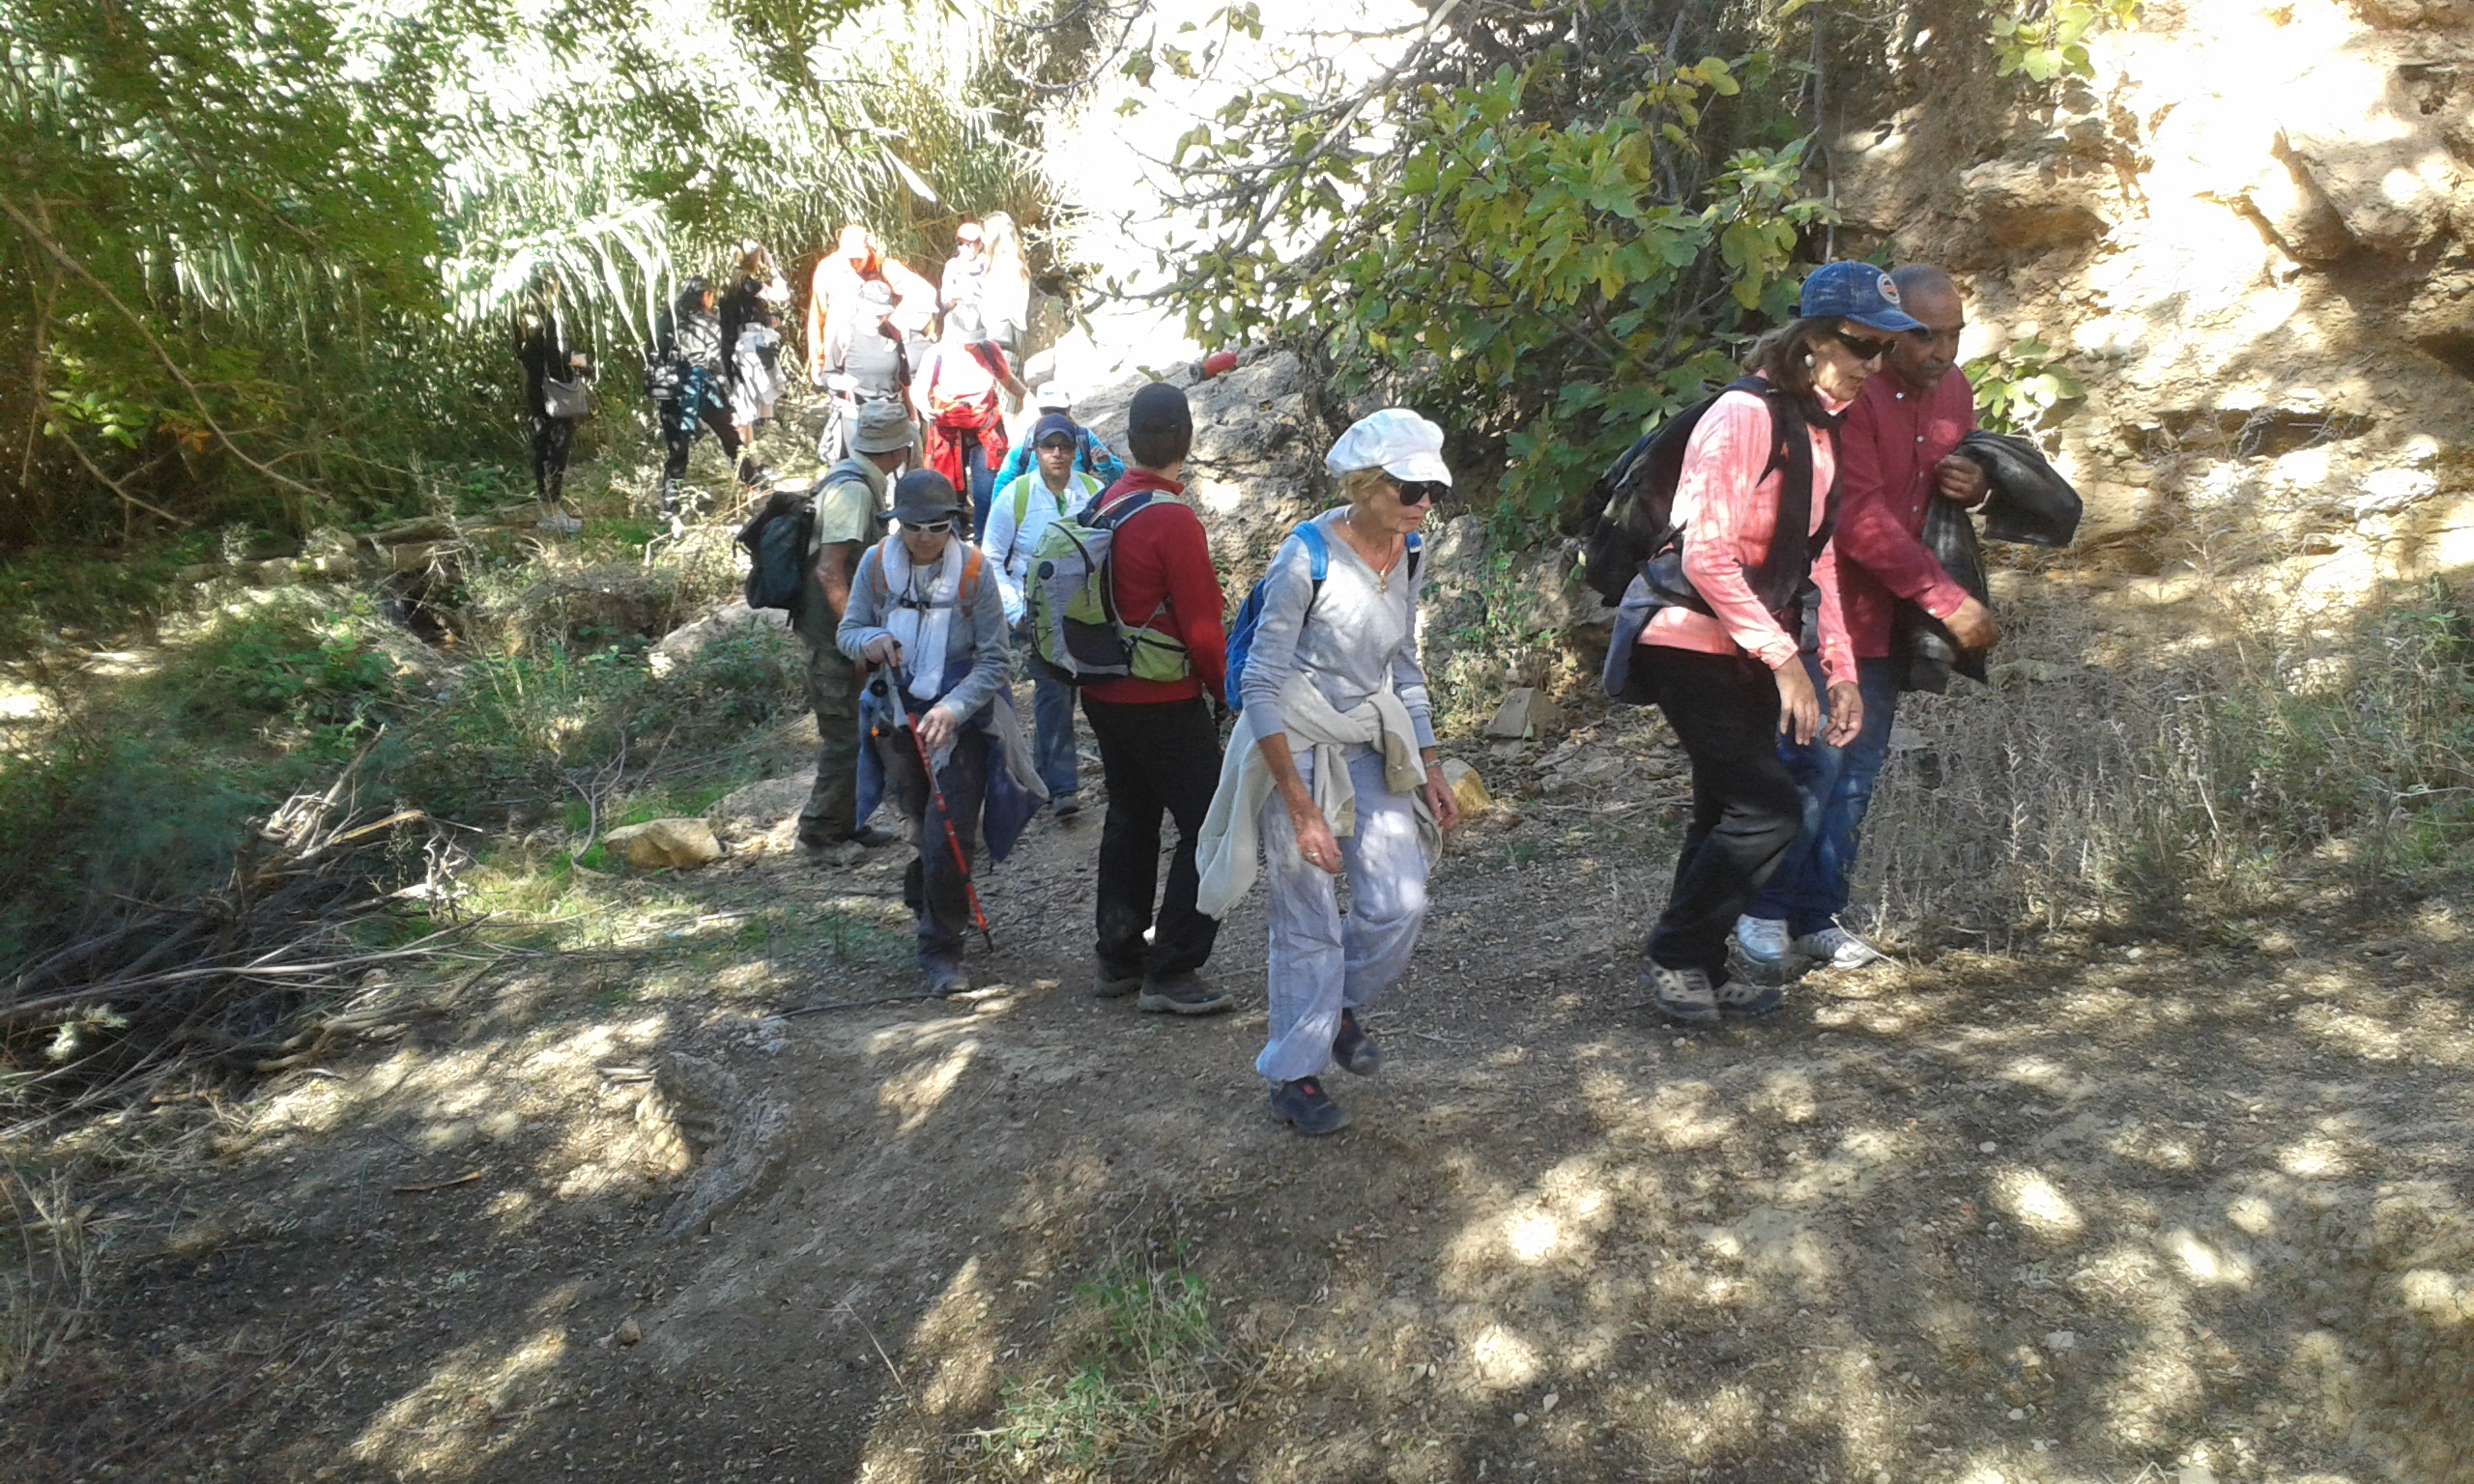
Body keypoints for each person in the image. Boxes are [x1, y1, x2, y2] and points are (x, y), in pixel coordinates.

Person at [1629, 261, 1904, 1026]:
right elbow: (1705, 554)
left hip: (1745, 644)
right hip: (1684, 637)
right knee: (1767, 809)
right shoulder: (1745, 416)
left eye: (1882, 351)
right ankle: (1677, 955)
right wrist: (1789, 664)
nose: (1869, 366)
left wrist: (1839, 670)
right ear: (1812, 337)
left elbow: (1815, 561)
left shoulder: (1821, 430)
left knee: (1723, 810)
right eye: (1858, 345)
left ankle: (1699, 965)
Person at [1194, 410, 1463, 1135]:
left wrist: (1431, 761)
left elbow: (1402, 661)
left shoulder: (1407, 552)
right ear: (1368, 485)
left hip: (1369, 735)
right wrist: (1299, 804)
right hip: (1297, 740)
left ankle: (1331, 1006)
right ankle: (1294, 1074)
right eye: (1409, 489)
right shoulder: (1304, 558)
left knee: (1400, 902)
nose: (1423, 505)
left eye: (1431, 491)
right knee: (1307, 913)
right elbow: (1258, 686)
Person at [1735, 264, 2001, 975]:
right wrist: (1947, 599)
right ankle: (1761, 914)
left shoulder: (1954, 391)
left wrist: (1973, 485)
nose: (1940, 351)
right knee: (1810, 763)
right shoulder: (1851, 392)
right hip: (1824, 613)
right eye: (1922, 336)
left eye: (1953, 335)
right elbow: (1854, 516)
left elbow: (1948, 486)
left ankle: (1816, 914)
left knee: (1858, 773)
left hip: (1891, 620)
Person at [841, 471, 1046, 994]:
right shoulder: (874, 566)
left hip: (963, 721)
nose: (927, 538)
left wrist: (953, 709)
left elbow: (996, 661)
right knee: (917, 822)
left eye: (938, 526)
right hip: (896, 717)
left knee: (948, 834)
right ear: (896, 524)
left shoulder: (975, 573)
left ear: (954, 523)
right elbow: (849, 630)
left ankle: (940, 952)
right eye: (914, 527)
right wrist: (870, 641)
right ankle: (927, 893)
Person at [1081, 383, 1234, 1015]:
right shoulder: (1172, 517)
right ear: (1186, 438)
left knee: (1131, 818)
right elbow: (1202, 627)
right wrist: (1232, 692)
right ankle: (1172, 969)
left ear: (1130, 439)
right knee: (1212, 824)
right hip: (1162, 698)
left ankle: (1118, 957)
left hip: (1102, 691)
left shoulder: (1104, 503)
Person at [796, 400, 914, 858]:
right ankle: (820, 833)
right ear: (900, 448)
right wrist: (858, 638)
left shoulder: (854, 475)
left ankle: (847, 822)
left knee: (858, 731)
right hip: (832, 637)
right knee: (844, 737)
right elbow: (830, 570)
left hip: (831, 632)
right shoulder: (856, 491)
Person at [980, 414, 1105, 815]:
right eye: (1049, 446)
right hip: (1037, 613)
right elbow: (992, 559)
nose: (1057, 454)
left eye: (1065, 446)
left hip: (1089, 611)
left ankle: (1104, 775)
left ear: (1075, 449)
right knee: (1053, 694)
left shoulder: (1094, 491)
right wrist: (1017, 611)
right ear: (1034, 451)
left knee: (1100, 691)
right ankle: (1060, 787)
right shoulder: (1014, 497)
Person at [914, 303, 1025, 538]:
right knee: (946, 488)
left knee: (986, 489)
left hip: (983, 427)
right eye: (967, 340)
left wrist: (1032, 401)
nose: (971, 344)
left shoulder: (989, 351)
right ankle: (951, 536)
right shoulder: (936, 356)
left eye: (975, 339)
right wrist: (926, 410)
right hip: (947, 429)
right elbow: (918, 392)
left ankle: (983, 540)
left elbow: (1008, 381)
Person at [648, 276, 748, 528]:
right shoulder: (709, 323)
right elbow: (716, 362)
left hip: (669, 392)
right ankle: (751, 483)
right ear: (706, 296)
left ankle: (670, 506)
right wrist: (730, 395)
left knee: (677, 451)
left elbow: (654, 354)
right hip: (702, 391)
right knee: (731, 438)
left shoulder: (665, 321)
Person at [806, 223, 935, 391]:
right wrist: (817, 360)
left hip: (874, 349)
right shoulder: (828, 269)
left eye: (859, 258)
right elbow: (817, 315)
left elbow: (924, 291)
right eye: (849, 259)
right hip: (840, 349)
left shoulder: (882, 266)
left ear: (868, 249)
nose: (854, 263)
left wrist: (894, 322)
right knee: (842, 398)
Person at [816, 279, 923, 465]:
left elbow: (904, 378)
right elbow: (827, 375)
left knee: (894, 474)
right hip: (857, 415)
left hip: (891, 413)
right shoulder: (845, 333)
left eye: (883, 314)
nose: (879, 319)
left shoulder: (893, 334)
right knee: (863, 471)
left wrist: (913, 415)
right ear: (861, 305)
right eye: (875, 313)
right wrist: (840, 382)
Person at [514, 276, 589, 533]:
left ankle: (549, 510)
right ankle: (553, 513)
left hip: (537, 395)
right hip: (556, 398)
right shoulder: (548, 320)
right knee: (556, 452)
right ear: (548, 290)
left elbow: (526, 356)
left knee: (543, 451)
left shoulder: (520, 320)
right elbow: (559, 358)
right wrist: (582, 361)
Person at [719, 243, 791, 476]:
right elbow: (782, 294)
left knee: (745, 410)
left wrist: (764, 319)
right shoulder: (746, 282)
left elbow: (741, 315)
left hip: (732, 349)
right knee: (744, 411)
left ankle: (753, 464)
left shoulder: (730, 283)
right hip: (744, 352)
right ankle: (747, 468)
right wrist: (772, 265)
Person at [988, 385, 1126, 491]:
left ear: (1068, 409)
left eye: (1058, 411)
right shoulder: (1028, 439)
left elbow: (1120, 475)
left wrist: (1106, 466)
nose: (1053, 416)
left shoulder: (1084, 438)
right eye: (1047, 411)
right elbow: (1004, 479)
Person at [977, 212, 1032, 362]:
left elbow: (997, 307)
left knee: (1003, 384)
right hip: (1010, 335)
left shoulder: (1003, 265)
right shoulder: (1015, 262)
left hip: (1001, 337)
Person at [939, 220, 986, 316]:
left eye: (972, 244)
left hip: (982, 317)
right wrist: (956, 299)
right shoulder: (952, 266)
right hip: (957, 318)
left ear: (980, 245)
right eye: (962, 244)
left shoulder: (986, 264)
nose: (968, 248)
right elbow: (945, 300)